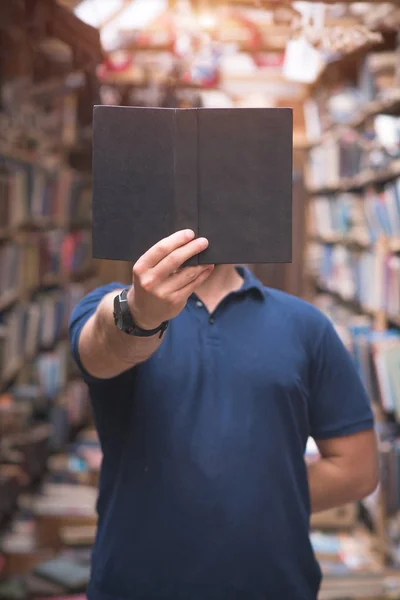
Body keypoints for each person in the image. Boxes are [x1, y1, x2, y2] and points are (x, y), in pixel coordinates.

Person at [69, 229, 379, 600]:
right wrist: (138, 314)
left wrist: (242, 499)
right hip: (135, 585)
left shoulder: (307, 325)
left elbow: (357, 470)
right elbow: (102, 346)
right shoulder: (105, 305)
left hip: (275, 586)